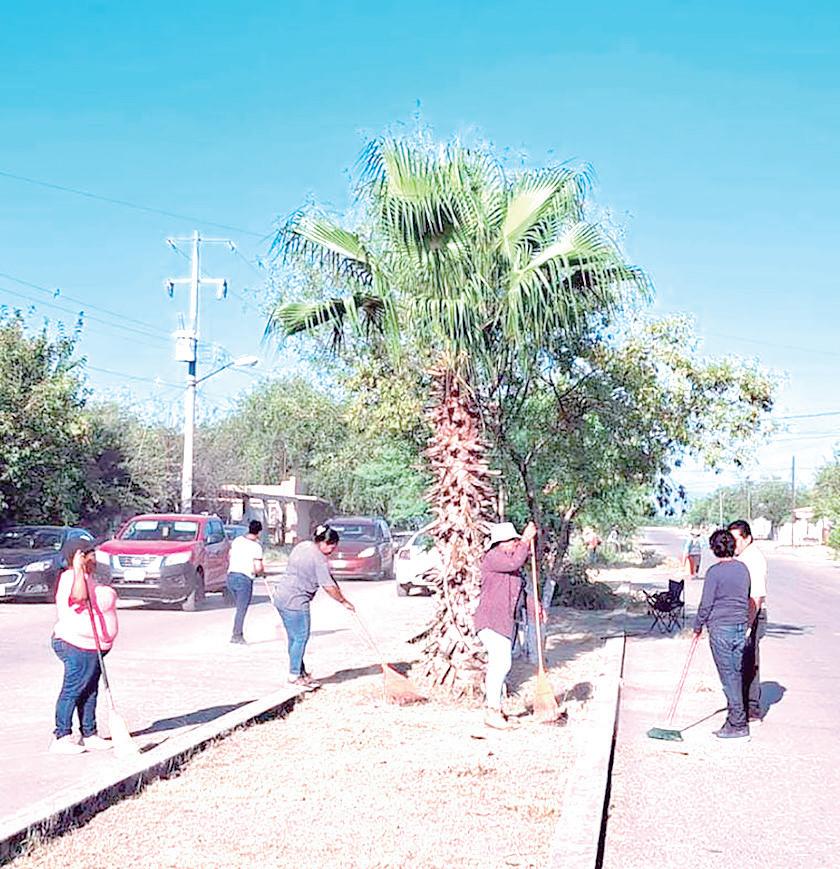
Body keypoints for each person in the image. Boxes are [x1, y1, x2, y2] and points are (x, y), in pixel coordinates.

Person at [50, 541, 119, 754]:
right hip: (75, 644)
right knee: (73, 688)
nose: (95, 559)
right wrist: (78, 569)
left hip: (93, 647)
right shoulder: (70, 577)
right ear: (79, 557)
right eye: (91, 555)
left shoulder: (89, 577)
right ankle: (61, 736)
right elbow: (78, 598)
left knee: (89, 690)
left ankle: (89, 734)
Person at [271, 524, 355, 690]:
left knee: (294, 638)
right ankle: (294, 676)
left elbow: (329, 579)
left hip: (281, 596)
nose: (332, 550)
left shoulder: (303, 546)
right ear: (324, 543)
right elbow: (328, 586)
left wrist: (338, 590)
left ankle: (300, 672)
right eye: (332, 546)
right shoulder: (319, 559)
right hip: (296, 600)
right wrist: (344, 602)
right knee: (301, 637)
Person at [474, 520, 538, 730]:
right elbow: (514, 563)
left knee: (501, 663)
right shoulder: (493, 558)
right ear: (501, 543)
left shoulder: (511, 568)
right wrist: (526, 540)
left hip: (504, 622)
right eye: (513, 541)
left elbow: (520, 591)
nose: (515, 544)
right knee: (501, 663)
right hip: (490, 621)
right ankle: (491, 710)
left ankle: (496, 708)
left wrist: (533, 605)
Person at [693, 529, 751, 740]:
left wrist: (697, 625)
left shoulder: (714, 572)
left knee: (728, 676)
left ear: (713, 548)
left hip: (721, 628)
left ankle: (738, 724)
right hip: (739, 626)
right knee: (735, 673)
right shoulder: (743, 568)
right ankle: (734, 718)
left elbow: (706, 603)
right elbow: (746, 596)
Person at [728, 519, 768, 722]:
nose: (732, 544)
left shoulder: (753, 559)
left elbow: (756, 597)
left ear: (747, 538)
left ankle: (752, 709)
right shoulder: (742, 558)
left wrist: (748, 626)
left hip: (752, 614)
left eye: (735, 540)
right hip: (741, 614)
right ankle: (741, 706)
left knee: (749, 662)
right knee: (740, 662)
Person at [226, 519, 265, 644]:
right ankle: (237, 635)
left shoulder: (237, 541)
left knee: (238, 606)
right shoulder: (256, 547)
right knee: (241, 608)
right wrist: (262, 573)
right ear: (259, 532)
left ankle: (237, 633)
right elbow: (258, 567)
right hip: (244, 579)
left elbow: (229, 555)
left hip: (231, 576)